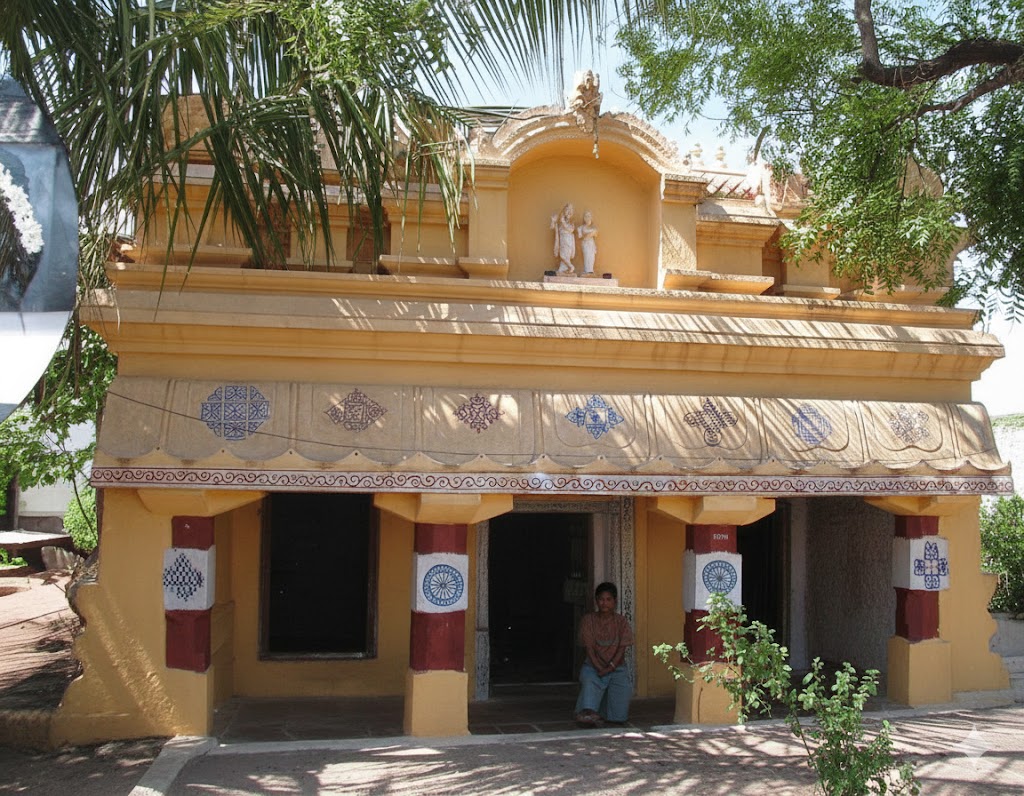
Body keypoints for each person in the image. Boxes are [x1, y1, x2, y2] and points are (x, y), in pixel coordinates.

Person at [575, 582, 633, 726]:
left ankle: (602, 713)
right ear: (596, 600)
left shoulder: (621, 621)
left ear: (615, 601)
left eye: (608, 599)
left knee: (619, 717)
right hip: (593, 667)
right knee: (590, 680)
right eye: (601, 599)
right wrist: (599, 668)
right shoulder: (588, 620)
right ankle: (587, 713)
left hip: (617, 668)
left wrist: (610, 667)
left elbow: (622, 649)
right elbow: (589, 649)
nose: (604, 603)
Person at [550, 203, 576, 275]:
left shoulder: (571, 223)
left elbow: (570, 229)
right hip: (562, 240)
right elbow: (552, 227)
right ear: (564, 211)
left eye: (570, 211)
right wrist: (553, 221)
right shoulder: (560, 223)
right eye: (567, 210)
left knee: (565, 255)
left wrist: (563, 222)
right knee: (562, 254)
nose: (568, 212)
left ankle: (570, 266)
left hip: (568, 240)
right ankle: (565, 268)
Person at [576, 211, 598, 275]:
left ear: (591, 217)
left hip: (591, 243)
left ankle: (591, 270)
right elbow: (580, 236)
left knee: (592, 257)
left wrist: (588, 235)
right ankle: (587, 271)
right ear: (584, 218)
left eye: (589, 216)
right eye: (586, 216)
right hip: (585, 243)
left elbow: (595, 234)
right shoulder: (581, 227)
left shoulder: (593, 227)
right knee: (587, 256)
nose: (587, 218)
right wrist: (589, 235)